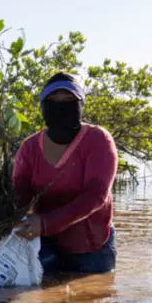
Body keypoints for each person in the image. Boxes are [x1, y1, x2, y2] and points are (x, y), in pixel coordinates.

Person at [13, 72, 119, 273]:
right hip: (45, 244)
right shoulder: (29, 147)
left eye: (69, 100)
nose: (61, 106)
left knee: (93, 299)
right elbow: (20, 194)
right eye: (53, 100)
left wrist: (45, 223)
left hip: (91, 245)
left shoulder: (98, 139)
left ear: (81, 104)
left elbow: (96, 196)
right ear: (43, 106)